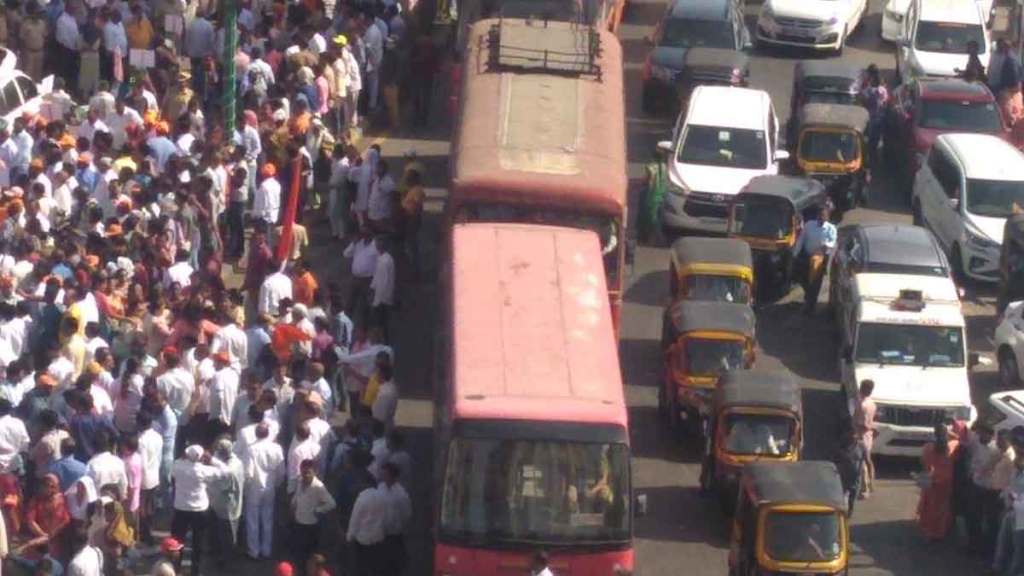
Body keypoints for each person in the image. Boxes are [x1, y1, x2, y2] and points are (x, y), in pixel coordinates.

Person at [169, 445, 225, 572]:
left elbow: (174, 467)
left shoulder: (177, 466)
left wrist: (184, 457)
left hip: (181, 508)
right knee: (197, 542)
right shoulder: (204, 470)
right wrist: (212, 460)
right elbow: (225, 471)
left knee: (178, 540)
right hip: (199, 509)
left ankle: (176, 568)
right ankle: (196, 570)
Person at [243, 422, 283, 560]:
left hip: (255, 486)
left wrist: (246, 489)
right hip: (270, 486)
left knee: (252, 519)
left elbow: (247, 473)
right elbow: (281, 470)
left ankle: (254, 550)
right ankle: (267, 550)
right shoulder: (276, 448)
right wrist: (277, 483)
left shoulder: (251, 449)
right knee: (267, 518)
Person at [290, 458, 336, 569]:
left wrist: (318, 510)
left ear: (315, 472)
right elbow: (297, 496)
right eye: (303, 472)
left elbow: (331, 503)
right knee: (299, 552)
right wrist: (293, 505)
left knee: (309, 555)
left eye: (308, 473)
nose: (305, 475)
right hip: (299, 522)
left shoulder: (318, 487)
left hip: (310, 526)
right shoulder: (300, 481)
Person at [917, 422, 959, 541]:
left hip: (932, 479)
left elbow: (923, 463)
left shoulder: (928, 447)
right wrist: (951, 433)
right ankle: (940, 531)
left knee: (930, 506)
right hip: (946, 481)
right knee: (943, 508)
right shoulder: (952, 446)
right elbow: (960, 439)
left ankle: (929, 531)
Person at [792, 205, 836, 314]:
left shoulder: (831, 228)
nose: (821, 217)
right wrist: (795, 253)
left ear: (827, 217)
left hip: (820, 260)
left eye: (823, 216)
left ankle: (810, 305)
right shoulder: (809, 225)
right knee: (803, 279)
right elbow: (801, 239)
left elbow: (833, 242)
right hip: (806, 257)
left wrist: (826, 245)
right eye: (820, 215)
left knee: (815, 283)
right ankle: (808, 296)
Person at [209, 438, 244, 570]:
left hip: (229, 508)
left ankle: (228, 562)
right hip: (220, 506)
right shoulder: (235, 461)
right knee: (221, 534)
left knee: (228, 536)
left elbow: (222, 482)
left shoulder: (232, 467)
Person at [379, 461, 411, 576]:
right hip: (380, 533)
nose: (383, 476)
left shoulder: (401, 494)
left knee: (393, 565)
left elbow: (406, 514)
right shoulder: (380, 488)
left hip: (394, 534)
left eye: (385, 474)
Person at [834, 428, 865, 516]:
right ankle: (840, 516)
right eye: (850, 435)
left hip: (856, 478)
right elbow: (834, 459)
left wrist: (870, 476)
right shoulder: (841, 446)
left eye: (854, 435)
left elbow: (867, 461)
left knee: (852, 499)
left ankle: (848, 515)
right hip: (843, 477)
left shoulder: (861, 446)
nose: (852, 437)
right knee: (841, 499)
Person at [853, 379, 877, 499]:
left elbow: (864, 424)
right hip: (866, 436)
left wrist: (855, 432)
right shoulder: (870, 402)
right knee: (866, 461)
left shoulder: (864, 405)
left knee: (862, 463)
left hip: (861, 436)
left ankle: (865, 488)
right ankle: (869, 484)